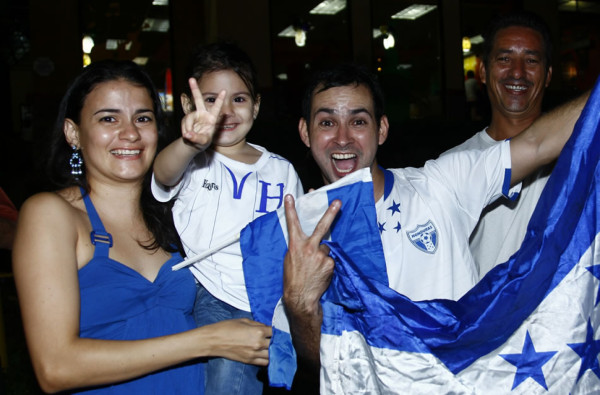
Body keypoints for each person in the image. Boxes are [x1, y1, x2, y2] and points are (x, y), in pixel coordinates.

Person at [281, 62, 588, 392]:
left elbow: (538, 144)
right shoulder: (293, 234)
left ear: (381, 130)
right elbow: (318, 368)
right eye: (327, 122)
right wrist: (299, 304)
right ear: (305, 132)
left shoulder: (441, 185)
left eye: (358, 121)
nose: (343, 138)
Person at [12, 59, 271, 394]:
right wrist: (207, 341)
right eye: (109, 118)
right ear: (73, 133)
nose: (130, 133)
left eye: (143, 118)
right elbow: (56, 367)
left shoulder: (178, 217)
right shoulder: (51, 215)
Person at [152, 43, 303, 395]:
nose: (226, 110)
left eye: (239, 98)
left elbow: (293, 235)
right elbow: (162, 174)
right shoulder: (191, 158)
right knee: (223, 377)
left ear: (257, 105)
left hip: (267, 295)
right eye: (211, 100)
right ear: (189, 106)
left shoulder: (281, 169)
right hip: (211, 290)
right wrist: (190, 143)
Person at [442, 11, 554, 278]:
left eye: (531, 60)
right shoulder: (452, 165)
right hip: (484, 317)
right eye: (505, 59)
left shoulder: (578, 155)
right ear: (483, 70)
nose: (517, 72)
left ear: (548, 75)